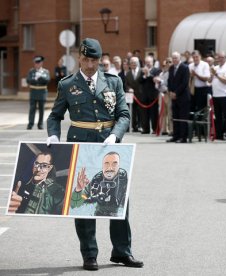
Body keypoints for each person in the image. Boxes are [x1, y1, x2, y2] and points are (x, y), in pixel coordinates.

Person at [46, 38, 143, 271]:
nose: (91, 65)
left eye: (95, 60)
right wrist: (53, 135)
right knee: (84, 199)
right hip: (81, 146)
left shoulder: (113, 82)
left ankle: (122, 252)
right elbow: (55, 116)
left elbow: (123, 114)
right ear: (80, 58)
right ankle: (89, 254)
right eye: (87, 59)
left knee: (118, 200)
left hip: (109, 146)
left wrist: (116, 135)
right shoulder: (67, 84)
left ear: (101, 60)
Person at [71, 152, 127, 217]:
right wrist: (78, 190)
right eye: (106, 164)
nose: (110, 168)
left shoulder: (125, 183)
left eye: (114, 164)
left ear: (119, 166)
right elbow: (74, 204)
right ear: (102, 166)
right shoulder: (96, 182)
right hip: (98, 214)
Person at [167, 51, 191, 143]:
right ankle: (176, 136)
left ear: (180, 58)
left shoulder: (185, 68)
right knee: (175, 117)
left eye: (176, 58)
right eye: (173, 58)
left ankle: (183, 137)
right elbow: (169, 81)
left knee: (182, 117)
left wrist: (176, 93)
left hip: (183, 97)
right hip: (174, 97)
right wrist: (170, 92)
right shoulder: (171, 68)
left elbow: (184, 83)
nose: (174, 60)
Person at [27, 55, 50, 130]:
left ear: (41, 63)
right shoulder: (31, 71)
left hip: (42, 93)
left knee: (41, 110)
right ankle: (30, 124)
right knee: (32, 109)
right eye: (36, 63)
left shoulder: (45, 71)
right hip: (33, 92)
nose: (36, 64)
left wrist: (40, 78)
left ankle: (40, 124)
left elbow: (47, 80)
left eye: (38, 63)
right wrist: (36, 80)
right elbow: (28, 80)